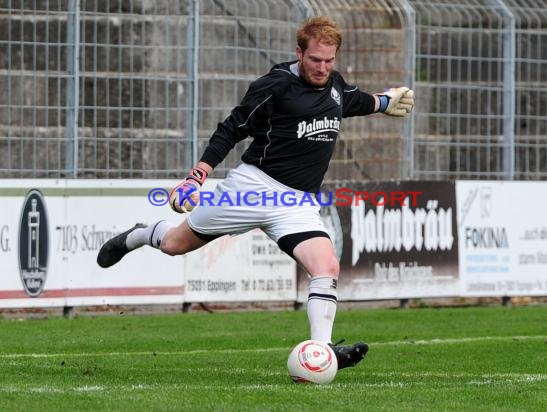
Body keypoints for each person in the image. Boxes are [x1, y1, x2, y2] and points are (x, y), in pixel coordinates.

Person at [97, 16, 414, 371]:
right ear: (299, 52)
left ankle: (322, 352)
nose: (322, 68)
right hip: (254, 188)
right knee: (174, 245)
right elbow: (231, 128)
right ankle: (139, 235)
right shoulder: (275, 85)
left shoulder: (335, 86)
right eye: (315, 60)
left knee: (326, 266)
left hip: (296, 203)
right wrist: (196, 177)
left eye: (329, 60)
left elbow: (358, 102)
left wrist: (386, 102)